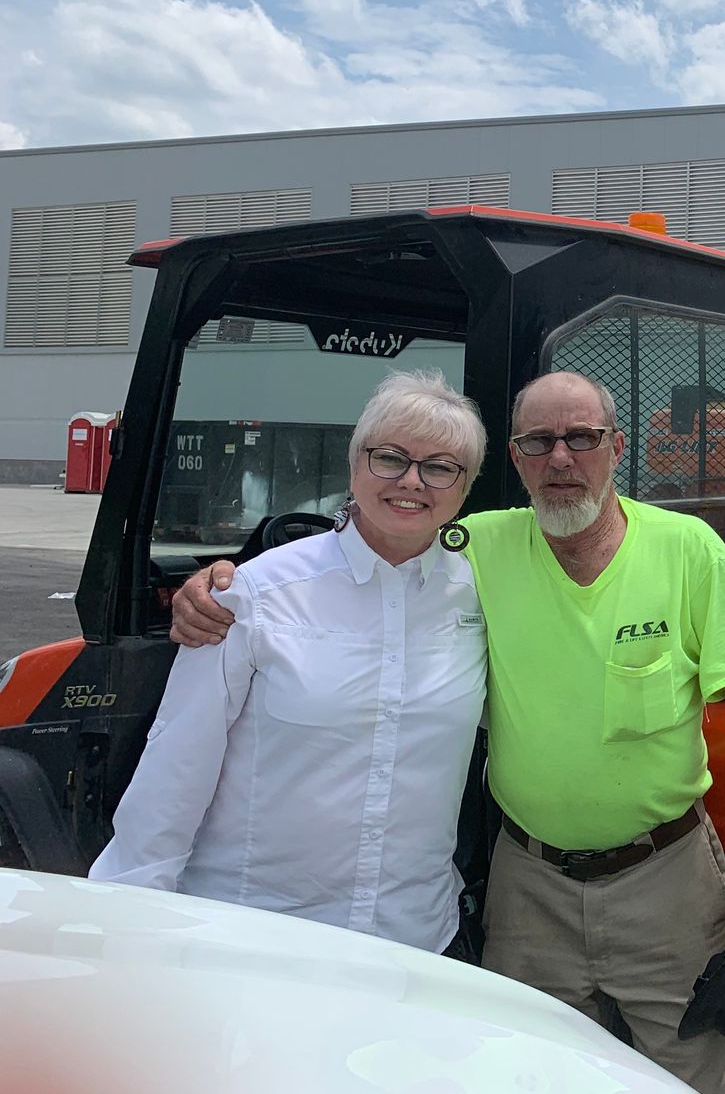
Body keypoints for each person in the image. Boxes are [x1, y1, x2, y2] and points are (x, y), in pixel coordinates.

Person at [173, 370, 725, 1094]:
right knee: (526, 1068)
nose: (561, 459)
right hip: (528, 885)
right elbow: (378, 536)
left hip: (663, 881)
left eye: (581, 438)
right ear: (515, 458)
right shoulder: (474, 546)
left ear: (616, 448)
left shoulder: (686, 550)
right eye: (538, 442)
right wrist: (227, 579)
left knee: (686, 1071)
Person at [95, 369, 488, 957]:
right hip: (260, 934)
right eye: (391, 458)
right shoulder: (257, 593)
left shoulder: (480, 597)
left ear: (465, 488)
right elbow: (176, 763)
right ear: (355, 465)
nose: (412, 481)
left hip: (414, 939)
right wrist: (130, 920)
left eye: (440, 467)